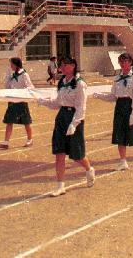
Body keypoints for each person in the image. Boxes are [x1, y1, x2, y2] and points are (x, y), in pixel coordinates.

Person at [37, 57, 95, 196]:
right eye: (61, 65)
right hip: (62, 117)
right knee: (59, 153)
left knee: (76, 155)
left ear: (73, 66)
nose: (61, 67)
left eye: (64, 65)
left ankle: (89, 169)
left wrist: (74, 124)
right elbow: (58, 103)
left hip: (74, 117)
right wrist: (43, 102)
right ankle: (60, 185)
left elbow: (81, 107)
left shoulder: (80, 84)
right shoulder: (62, 82)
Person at [92, 53, 133, 170]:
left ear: (131, 62)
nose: (123, 64)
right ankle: (123, 161)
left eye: (125, 61)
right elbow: (113, 96)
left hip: (130, 106)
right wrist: (100, 95)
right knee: (119, 134)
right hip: (120, 107)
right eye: (121, 61)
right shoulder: (117, 78)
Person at [0, 57, 34, 149]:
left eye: (12, 64)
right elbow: (7, 86)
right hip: (12, 101)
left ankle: (30, 139)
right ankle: (6, 142)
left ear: (17, 64)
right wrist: (8, 75)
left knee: (26, 122)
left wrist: (22, 92)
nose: (11, 66)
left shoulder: (24, 74)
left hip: (21, 101)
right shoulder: (12, 75)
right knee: (9, 121)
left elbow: (30, 87)